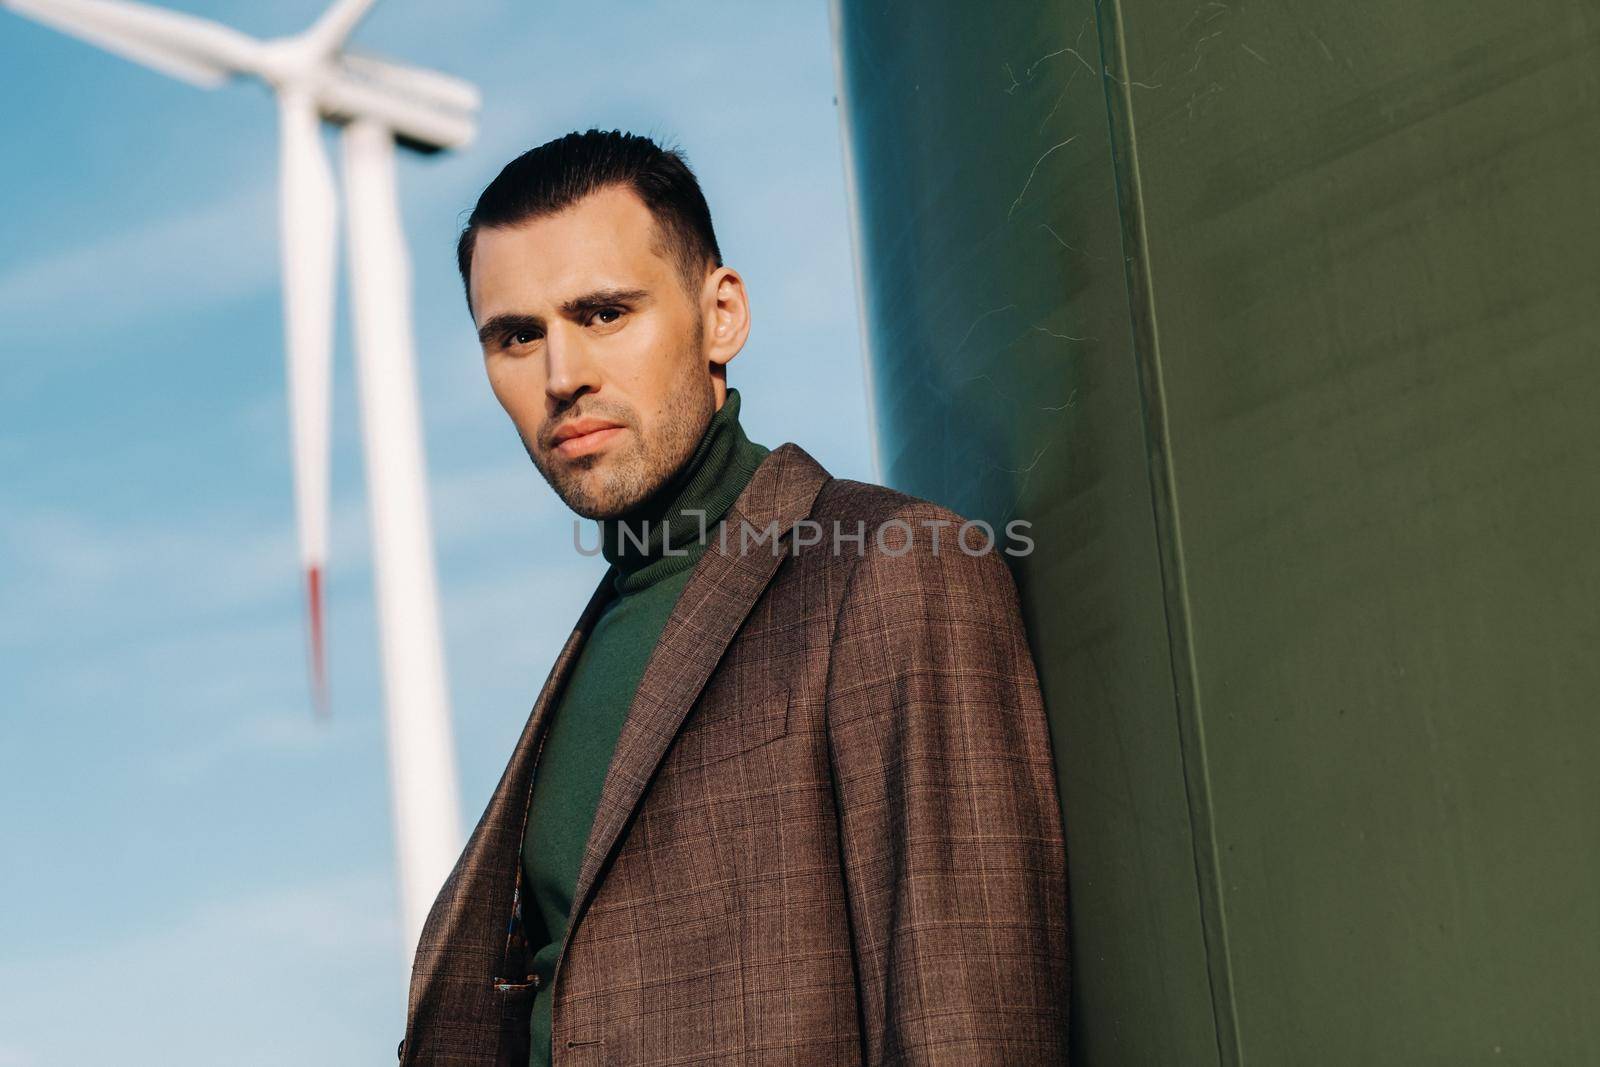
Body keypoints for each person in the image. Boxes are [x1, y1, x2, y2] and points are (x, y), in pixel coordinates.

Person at [397, 129, 1070, 1066]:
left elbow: (969, 1025)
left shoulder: (891, 567)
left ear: (721, 315)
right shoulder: (600, 641)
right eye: (518, 336)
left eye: (602, 313)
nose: (562, 377)